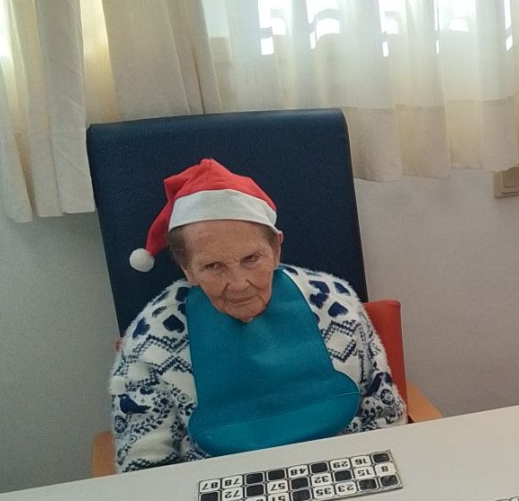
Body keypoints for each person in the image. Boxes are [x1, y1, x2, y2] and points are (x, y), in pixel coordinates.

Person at [110, 158, 405, 471]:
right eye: (213, 266)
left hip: (344, 467)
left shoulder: (336, 303)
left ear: (276, 249)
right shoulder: (151, 337)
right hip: (218, 480)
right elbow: (143, 464)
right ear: (187, 269)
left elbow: (384, 414)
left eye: (251, 259)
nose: (238, 284)